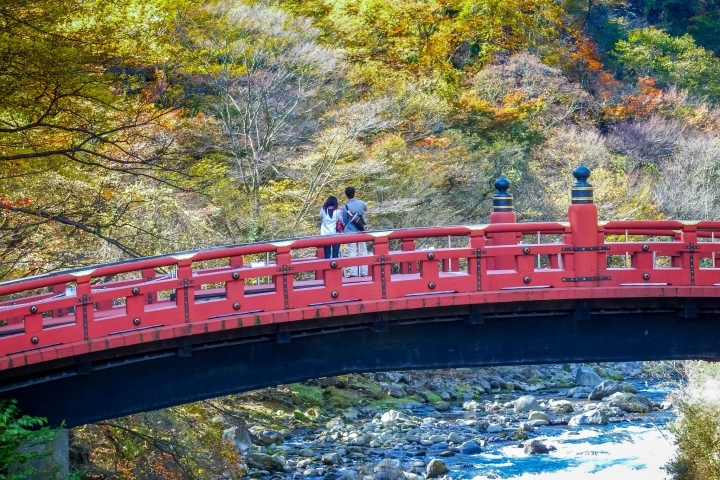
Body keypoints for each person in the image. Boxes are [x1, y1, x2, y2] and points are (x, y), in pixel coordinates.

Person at [342, 186, 368, 276]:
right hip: (361, 229)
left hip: (350, 231)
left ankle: (353, 272)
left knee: (351, 251)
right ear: (354, 193)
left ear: (346, 195)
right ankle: (364, 271)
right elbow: (366, 208)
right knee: (363, 251)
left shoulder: (345, 207)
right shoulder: (361, 203)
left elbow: (344, 221)